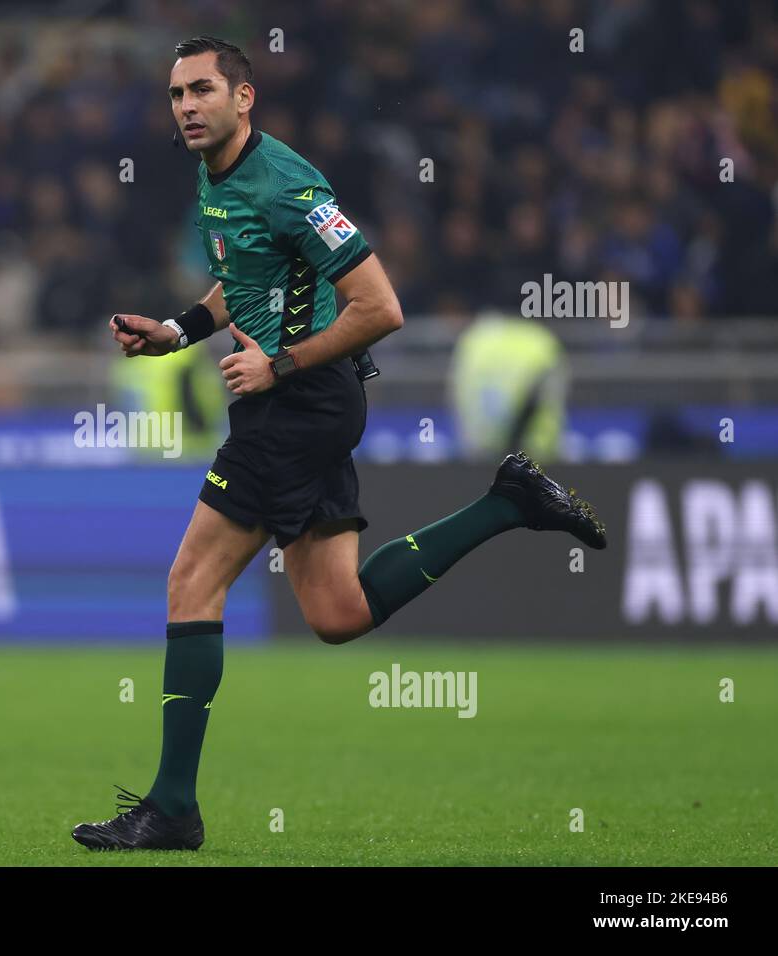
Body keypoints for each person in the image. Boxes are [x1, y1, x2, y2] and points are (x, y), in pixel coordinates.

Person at [71, 37, 607, 852]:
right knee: (336, 611)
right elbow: (244, 277)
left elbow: (380, 306)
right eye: (177, 93)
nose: (186, 106)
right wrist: (179, 330)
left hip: (297, 405)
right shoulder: (215, 175)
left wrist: (278, 365)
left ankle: (173, 807)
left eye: (203, 90)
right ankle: (508, 502)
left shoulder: (289, 184)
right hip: (293, 406)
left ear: (243, 98)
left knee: (191, 581)